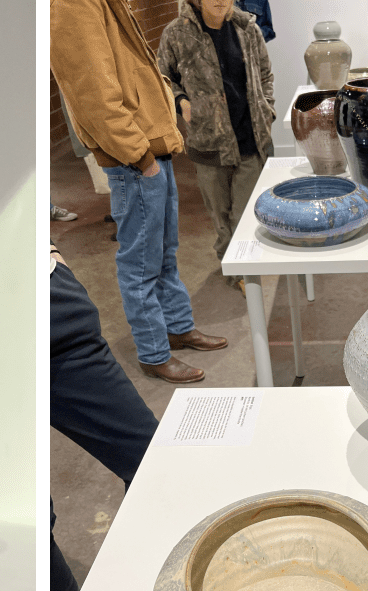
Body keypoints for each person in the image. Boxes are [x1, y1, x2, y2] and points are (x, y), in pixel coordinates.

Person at [51, 0, 228, 385]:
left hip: (149, 152)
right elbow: (92, 92)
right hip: (134, 159)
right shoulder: (71, 5)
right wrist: (139, 155)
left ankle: (178, 329)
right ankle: (153, 352)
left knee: (164, 254)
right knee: (140, 265)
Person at [49, 243, 159, 591]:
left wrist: (50, 252)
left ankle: (162, 588)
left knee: (152, 464)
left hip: (54, 317)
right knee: (23, 510)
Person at [158, 0, 275, 263]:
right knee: (221, 219)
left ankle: (247, 268)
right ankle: (232, 268)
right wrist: (181, 102)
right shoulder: (177, 33)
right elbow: (163, 78)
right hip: (209, 142)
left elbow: (265, 75)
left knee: (247, 215)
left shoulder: (248, 29)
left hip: (250, 138)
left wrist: (267, 112)